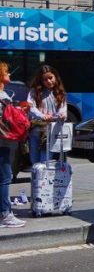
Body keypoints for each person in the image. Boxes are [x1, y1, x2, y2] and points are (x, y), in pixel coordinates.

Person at [0, 62, 26, 228]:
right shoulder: (2, 97)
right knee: (4, 177)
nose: (9, 74)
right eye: (7, 72)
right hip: (2, 142)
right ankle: (5, 215)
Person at [27, 64, 68, 165]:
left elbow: (63, 109)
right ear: (41, 81)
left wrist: (62, 115)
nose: (49, 81)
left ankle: (43, 179)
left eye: (51, 78)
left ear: (55, 77)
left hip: (51, 130)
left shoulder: (60, 92)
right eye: (45, 79)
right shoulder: (34, 91)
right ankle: (36, 179)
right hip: (36, 129)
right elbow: (30, 107)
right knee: (34, 160)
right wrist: (42, 115)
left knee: (45, 160)